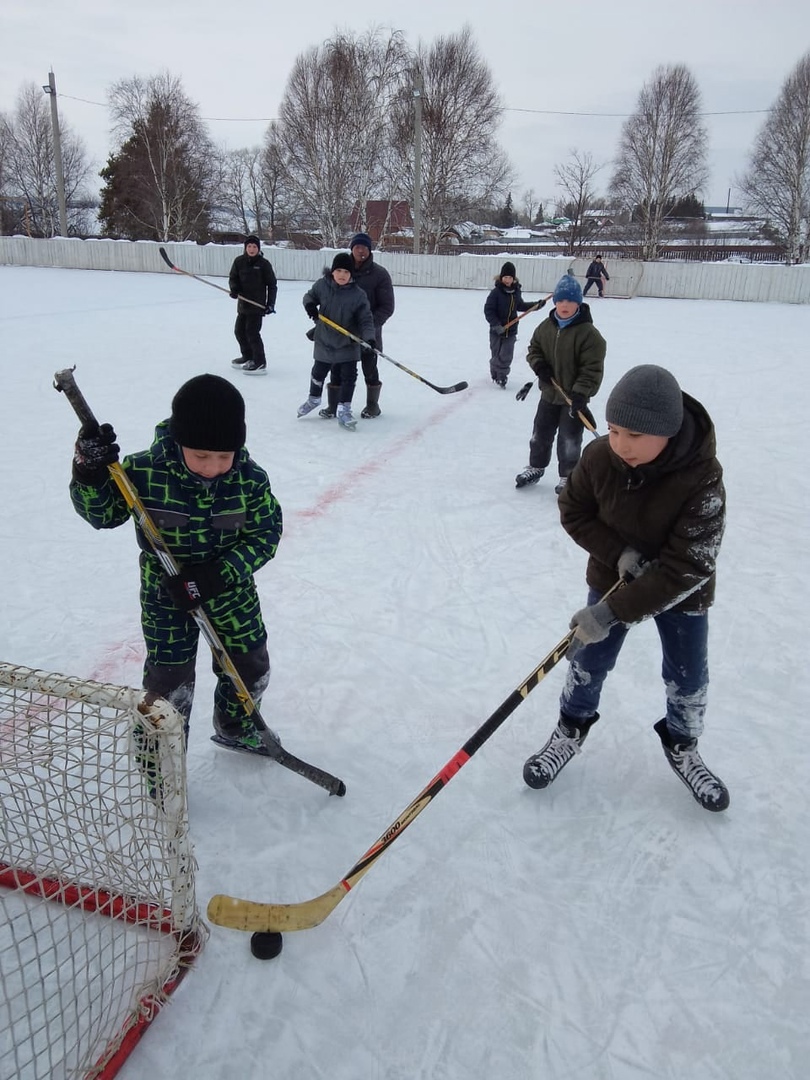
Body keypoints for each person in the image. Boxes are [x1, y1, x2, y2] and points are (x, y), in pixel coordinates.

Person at [523, 364, 729, 812]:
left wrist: (612, 613)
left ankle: (683, 743)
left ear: (667, 431)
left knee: (688, 675)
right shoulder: (601, 458)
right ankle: (570, 728)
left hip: (681, 592)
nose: (621, 444)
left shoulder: (702, 478)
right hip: (612, 580)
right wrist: (618, 553)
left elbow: (691, 564)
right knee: (588, 660)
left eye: (635, 434)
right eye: (614, 430)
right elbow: (574, 511)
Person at [69, 374, 283, 754]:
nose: (213, 467)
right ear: (179, 440)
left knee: (250, 665)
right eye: (201, 455)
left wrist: (218, 575)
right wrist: (89, 473)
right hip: (166, 596)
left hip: (230, 592)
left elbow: (265, 534)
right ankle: (161, 755)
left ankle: (237, 728)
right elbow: (102, 514)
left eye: (224, 456)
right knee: (170, 681)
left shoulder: (249, 479)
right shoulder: (142, 471)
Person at [515, 274, 606, 493]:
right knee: (540, 435)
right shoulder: (545, 327)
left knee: (570, 440)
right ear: (555, 302)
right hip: (549, 394)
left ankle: (568, 476)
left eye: (570, 301)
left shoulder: (589, 335)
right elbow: (534, 349)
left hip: (572, 399)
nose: (565, 305)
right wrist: (539, 366)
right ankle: (536, 466)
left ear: (579, 303)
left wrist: (581, 393)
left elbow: (592, 368)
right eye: (561, 300)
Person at [317, 232, 395, 420]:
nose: (361, 251)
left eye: (364, 248)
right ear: (352, 249)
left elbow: (387, 307)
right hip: (341, 333)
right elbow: (328, 298)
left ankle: (372, 405)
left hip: (368, 332)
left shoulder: (379, 274)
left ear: (370, 250)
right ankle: (333, 406)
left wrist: (368, 327)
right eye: (357, 247)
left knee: (370, 368)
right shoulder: (341, 270)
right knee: (337, 368)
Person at [297, 252, 376, 431]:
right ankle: (314, 399)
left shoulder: (358, 295)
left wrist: (369, 338)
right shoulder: (322, 285)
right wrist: (310, 306)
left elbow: (366, 320)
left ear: (351, 274)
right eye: (338, 270)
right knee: (318, 373)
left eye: (346, 272)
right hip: (324, 339)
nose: (342, 275)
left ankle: (344, 409)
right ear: (332, 272)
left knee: (349, 377)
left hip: (347, 342)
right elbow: (309, 297)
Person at [484, 261, 544, 388]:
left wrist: (536, 305)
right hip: (496, 330)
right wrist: (496, 325)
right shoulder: (496, 293)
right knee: (496, 355)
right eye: (505, 277)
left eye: (510, 277)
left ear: (514, 278)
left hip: (510, 330)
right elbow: (488, 310)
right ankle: (495, 373)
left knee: (506, 355)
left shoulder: (516, 292)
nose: (507, 280)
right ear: (501, 277)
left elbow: (520, 305)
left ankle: (502, 376)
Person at [228, 235, 278, 376]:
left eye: (254, 246)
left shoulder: (264, 264)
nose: (251, 249)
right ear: (245, 248)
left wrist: (270, 304)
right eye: (249, 246)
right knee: (239, 331)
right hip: (243, 305)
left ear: (258, 248)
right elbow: (233, 278)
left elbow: (272, 285)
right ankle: (248, 356)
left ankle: (260, 362)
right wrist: (234, 290)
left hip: (257, 306)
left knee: (252, 333)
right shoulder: (239, 262)